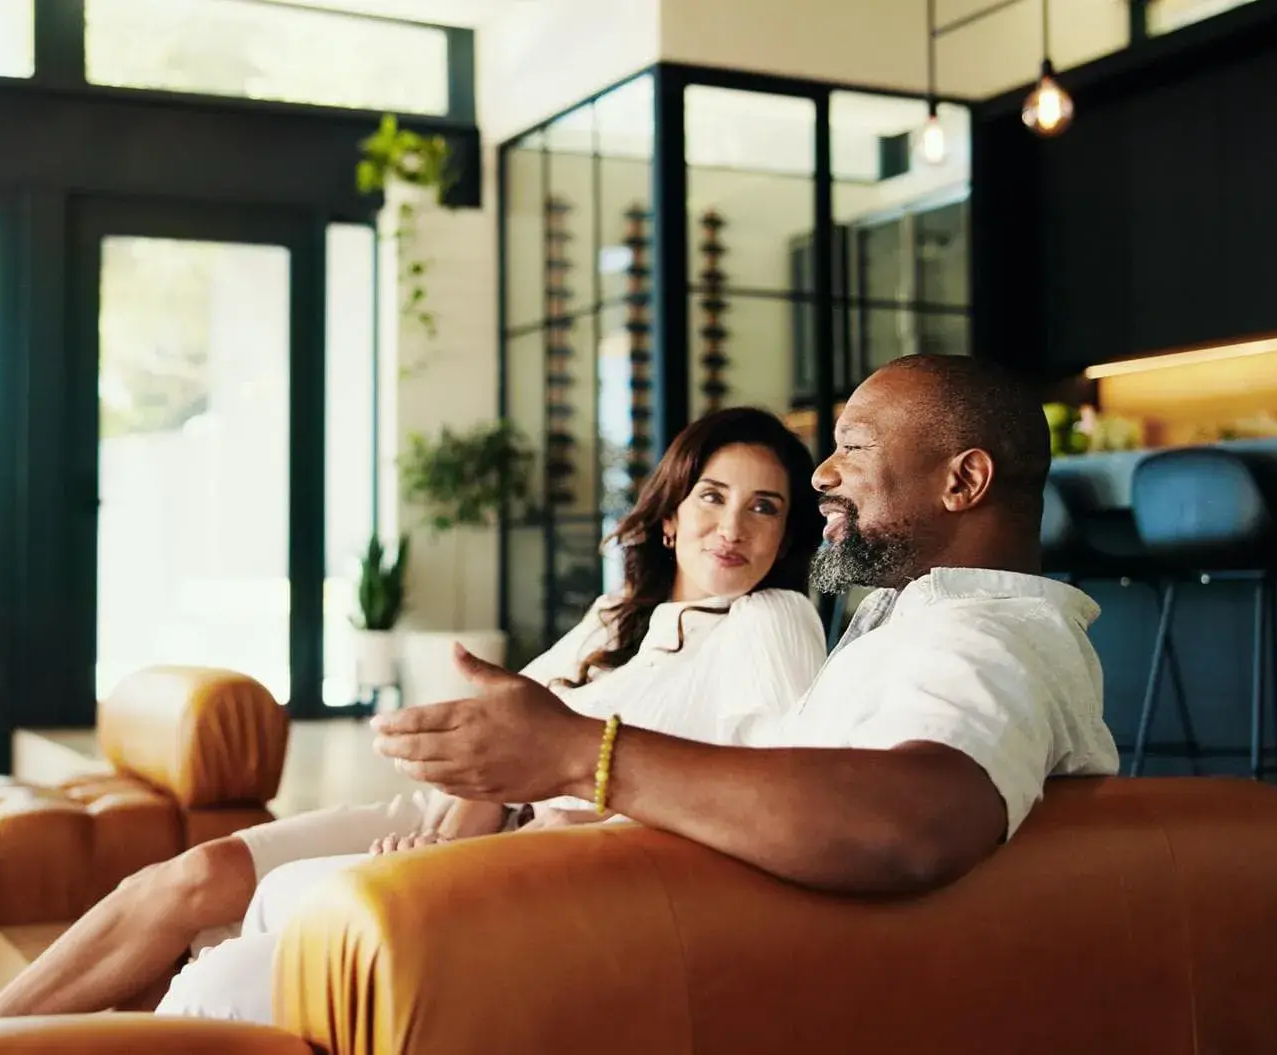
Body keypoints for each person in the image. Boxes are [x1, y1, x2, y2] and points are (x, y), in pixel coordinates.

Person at [149, 353, 1122, 1024]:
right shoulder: (902, 619)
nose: (820, 469)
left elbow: (909, 822)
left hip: (699, 950)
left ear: (963, 481)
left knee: (231, 977)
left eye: (851, 446)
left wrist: (583, 754)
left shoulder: (988, 635)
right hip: (677, 913)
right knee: (257, 930)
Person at [0, 406, 831, 1019]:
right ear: (673, 516)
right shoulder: (617, 614)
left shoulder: (772, 621)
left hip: (525, 856)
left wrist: (460, 853)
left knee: (229, 947)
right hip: (448, 820)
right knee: (188, 881)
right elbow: (499, 744)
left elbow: (770, 801)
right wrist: (450, 825)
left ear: (787, 534)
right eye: (714, 496)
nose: (735, 525)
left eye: (766, 506)